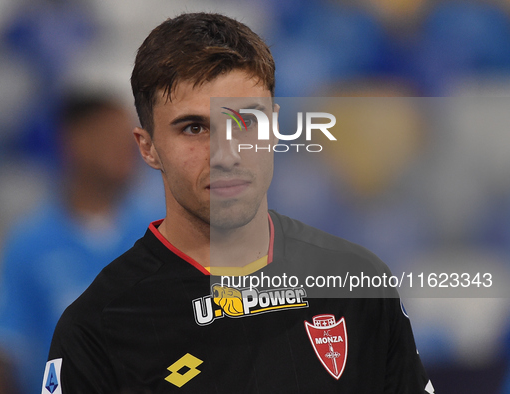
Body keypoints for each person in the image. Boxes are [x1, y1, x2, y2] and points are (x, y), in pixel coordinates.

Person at [44, 13, 433, 393]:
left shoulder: (358, 285)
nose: (225, 154)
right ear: (148, 148)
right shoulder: (97, 328)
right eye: (194, 128)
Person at [0, 91, 163, 394]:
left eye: (130, 137)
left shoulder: (162, 230)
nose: (128, 147)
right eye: (110, 136)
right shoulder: (28, 243)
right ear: (74, 142)